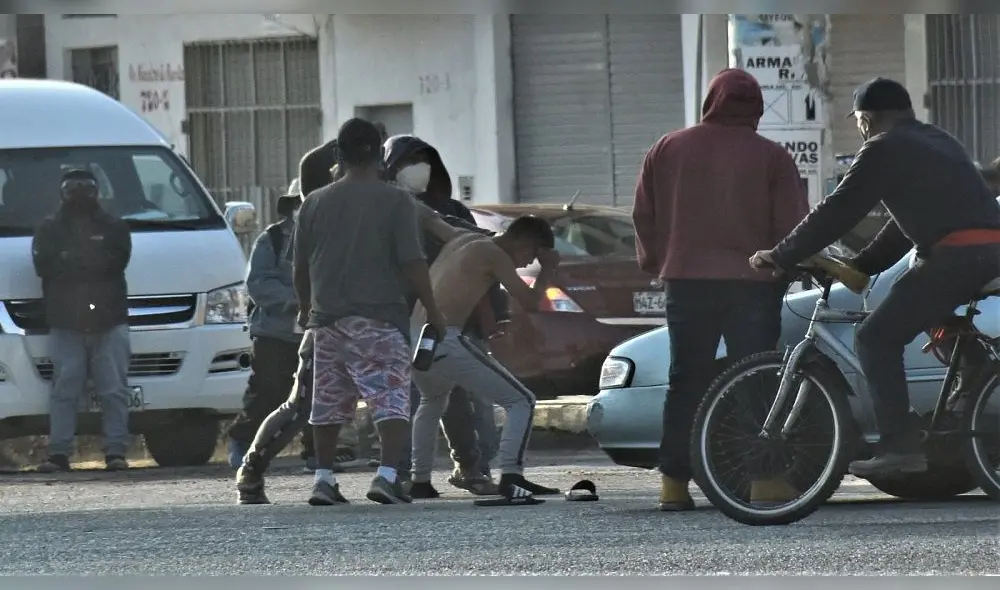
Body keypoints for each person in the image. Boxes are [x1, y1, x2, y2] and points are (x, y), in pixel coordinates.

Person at [750, 77, 1000, 478]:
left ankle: (900, 447)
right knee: (911, 296)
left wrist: (782, 254)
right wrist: (863, 265)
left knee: (875, 337)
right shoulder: (938, 140)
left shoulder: (883, 147)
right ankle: (973, 375)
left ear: (865, 119)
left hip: (958, 257)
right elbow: (904, 225)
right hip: (987, 253)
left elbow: (838, 209)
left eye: (859, 123)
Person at [631, 68, 810, 511]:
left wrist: (658, 262)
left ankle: (674, 484)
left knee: (685, 379)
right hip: (753, 285)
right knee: (755, 379)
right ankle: (764, 480)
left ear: (711, 100)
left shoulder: (667, 148)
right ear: (757, 107)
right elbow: (792, 225)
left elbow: (644, 215)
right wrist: (789, 267)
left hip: (686, 281)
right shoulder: (771, 156)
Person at [293, 117, 448, 506]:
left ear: (339, 154)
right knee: (391, 398)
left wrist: (305, 309)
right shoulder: (396, 201)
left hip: (327, 322)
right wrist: (433, 310)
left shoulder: (314, 202)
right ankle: (387, 476)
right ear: (380, 154)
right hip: (380, 319)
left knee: (328, 403)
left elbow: (300, 266)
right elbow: (412, 262)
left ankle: (324, 479)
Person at [234, 141, 363, 504]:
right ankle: (251, 466)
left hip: (350, 326)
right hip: (293, 331)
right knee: (292, 402)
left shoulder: (353, 219)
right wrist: (302, 305)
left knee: (348, 401)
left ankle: (340, 473)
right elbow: (269, 282)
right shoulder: (283, 235)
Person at [409, 207, 562, 504]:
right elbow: (530, 302)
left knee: (432, 401)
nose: (526, 264)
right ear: (526, 243)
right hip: (443, 338)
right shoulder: (495, 254)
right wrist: (547, 269)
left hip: (416, 338)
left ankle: (420, 481)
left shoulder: (460, 237)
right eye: (531, 256)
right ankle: (511, 476)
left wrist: (401, 195)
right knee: (522, 401)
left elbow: (430, 219)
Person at [382, 134, 504, 496]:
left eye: (423, 161)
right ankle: (402, 474)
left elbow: (482, 263)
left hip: (453, 322)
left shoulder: (453, 212)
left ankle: (470, 466)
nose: (418, 169)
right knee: (407, 401)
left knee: (462, 400)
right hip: (403, 321)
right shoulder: (387, 212)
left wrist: (492, 317)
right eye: (409, 162)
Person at [32, 169, 134, 473]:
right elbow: (45, 266)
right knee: (64, 390)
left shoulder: (114, 226)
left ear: (96, 191)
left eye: (85, 187)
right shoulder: (49, 229)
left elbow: (116, 262)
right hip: (66, 323)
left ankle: (115, 453)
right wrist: (89, 260)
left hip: (109, 320)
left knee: (114, 390)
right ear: (62, 193)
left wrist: (71, 259)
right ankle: (59, 454)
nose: (79, 194)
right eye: (72, 188)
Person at [225, 178, 314, 470]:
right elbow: (258, 284)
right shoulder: (272, 239)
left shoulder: (330, 238)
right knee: (268, 391)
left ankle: (316, 452)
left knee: (318, 394)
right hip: (275, 333)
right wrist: (298, 299)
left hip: (316, 331)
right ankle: (242, 442)